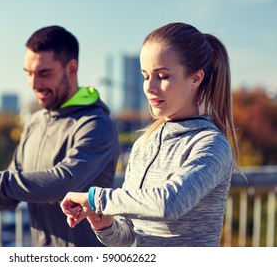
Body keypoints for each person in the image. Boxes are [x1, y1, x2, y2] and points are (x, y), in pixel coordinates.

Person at [60, 22, 240, 247]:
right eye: (145, 76)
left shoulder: (211, 145)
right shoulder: (144, 144)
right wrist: (105, 224)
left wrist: (97, 199)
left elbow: (169, 203)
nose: (150, 87)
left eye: (162, 76)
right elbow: (128, 239)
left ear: (195, 78)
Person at [0, 25, 120, 247]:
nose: (34, 84)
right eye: (28, 73)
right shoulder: (35, 123)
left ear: (72, 69)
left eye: (44, 73)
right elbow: (7, 201)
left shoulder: (96, 125)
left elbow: (61, 183)